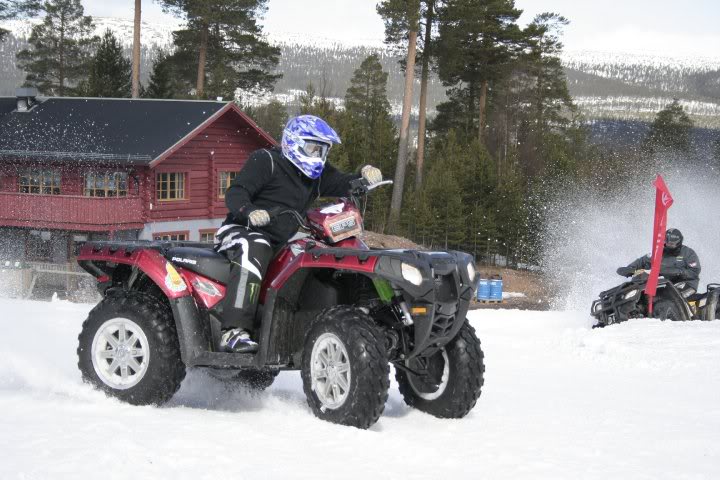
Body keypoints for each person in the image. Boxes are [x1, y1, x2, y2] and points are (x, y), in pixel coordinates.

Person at [214, 115, 383, 353]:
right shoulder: (266, 161)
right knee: (257, 246)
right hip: (242, 230)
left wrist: (364, 176)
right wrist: (250, 211)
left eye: (323, 150)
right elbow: (236, 192)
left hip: (283, 238)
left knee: (313, 254)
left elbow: (343, 183)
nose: (318, 156)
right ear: (294, 142)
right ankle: (233, 331)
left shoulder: (315, 175)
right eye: (314, 148)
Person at [616, 228, 701, 292]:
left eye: (672, 244)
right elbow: (642, 261)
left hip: (684, 284)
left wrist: (677, 272)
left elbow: (694, 272)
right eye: (667, 243)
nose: (669, 245)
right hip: (662, 284)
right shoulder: (658, 253)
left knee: (672, 296)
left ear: (679, 242)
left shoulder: (688, 253)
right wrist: (629, 269)